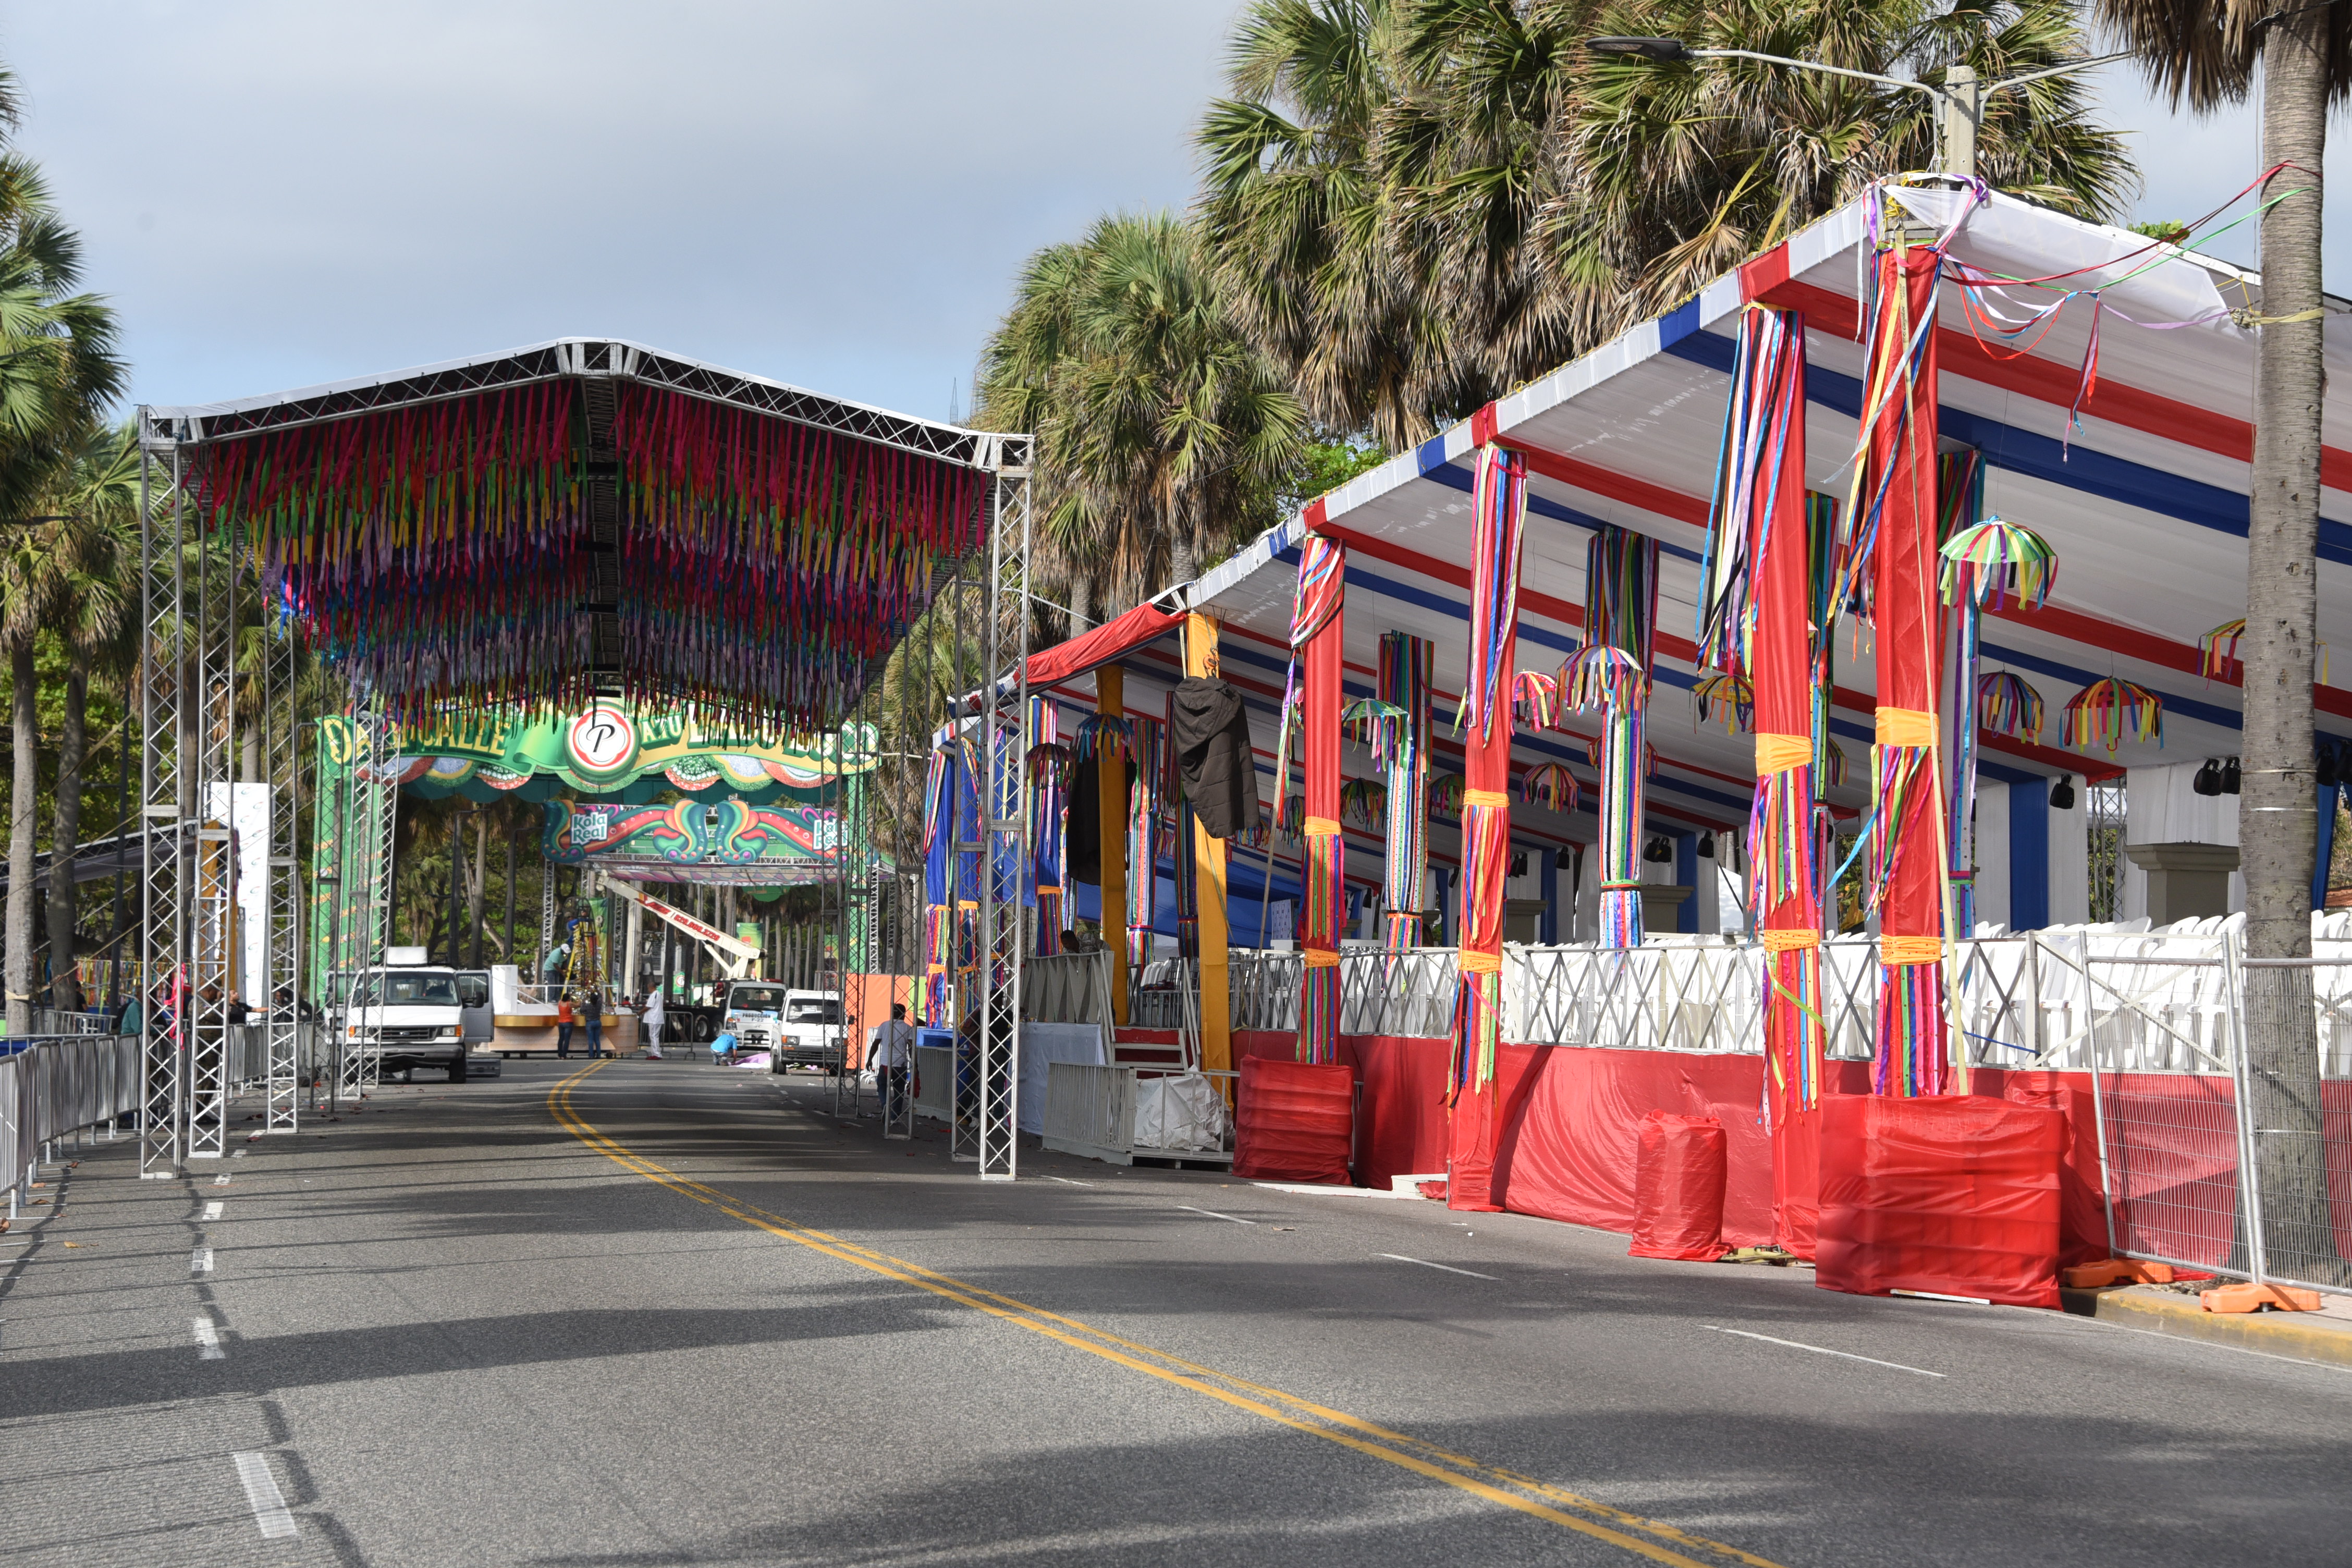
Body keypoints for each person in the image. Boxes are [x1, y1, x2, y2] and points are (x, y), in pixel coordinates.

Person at [867, 1003, 915, 1120]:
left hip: (885, 1064)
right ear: (904, 1014)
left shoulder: (884, 1025)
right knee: (899, 1092)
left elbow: (876, 1044)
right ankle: (894, 1117)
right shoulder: (908, 1028)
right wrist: (915, 1065)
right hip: (901, 1065)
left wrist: (869, 1060)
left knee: (882, 1087)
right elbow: (911, 1048)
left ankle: (885, 1105)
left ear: (892, 1013)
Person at [643, 988, 666, 1060]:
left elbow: (649, 1006)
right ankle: (654, 1053)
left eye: (648, 987)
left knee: (654, 1036)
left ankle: (657, 1054)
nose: (648, 989)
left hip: (655, 1019)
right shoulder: (659, 995)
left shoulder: (655, 995)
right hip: (656, 1019)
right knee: (654, 1036)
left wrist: (641, 1012)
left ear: (651, 987)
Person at [583, 989, 604, 1059]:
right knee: (597, 1040)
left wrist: (585, 997)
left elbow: (581, 1010)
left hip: (590, 1023)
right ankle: (599, 1055)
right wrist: (597, 990)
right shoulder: (599, 1005)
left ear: (591, 1000)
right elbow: (601, 997)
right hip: (598, 1022)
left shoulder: (588, 1006)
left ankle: (591, 1055)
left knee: (591, 1040)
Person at [555, 993, 576, 1058]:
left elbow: (562, 999)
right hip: (568, 1022)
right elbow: (578, 1005)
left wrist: (568, 995)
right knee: (567, 1040)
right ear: (568, 999)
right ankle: (564, 1055)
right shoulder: (569, 1003)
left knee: (561, 1039)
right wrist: (579, 1000)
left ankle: (560, 1055)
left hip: (561, 1022)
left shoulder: (560, 1003)